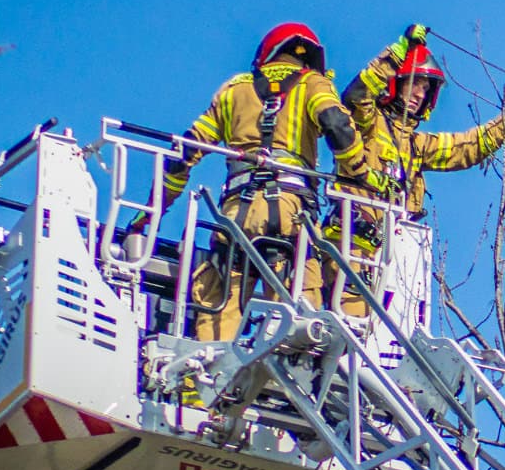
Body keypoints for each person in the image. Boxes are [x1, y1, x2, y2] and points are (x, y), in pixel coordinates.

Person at [138, 22, 384, 341]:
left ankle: (203, 381)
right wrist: (361, 172)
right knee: (300, 320)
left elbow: (185, 152)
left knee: (217, 312)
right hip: (290, 215)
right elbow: (337, 125)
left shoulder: (235, 90)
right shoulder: (313, 84)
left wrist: (151, 210)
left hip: (236, 214)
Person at [319, 25, 505, 311]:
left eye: (426, 88)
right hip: (351, 251)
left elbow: (471, 146)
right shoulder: (367, 123)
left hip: (395, 263)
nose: (419, 94)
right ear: (396, 83)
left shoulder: (416, 145)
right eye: (414, 83)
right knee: (353, 332)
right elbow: (356, 96)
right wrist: (398, 52)